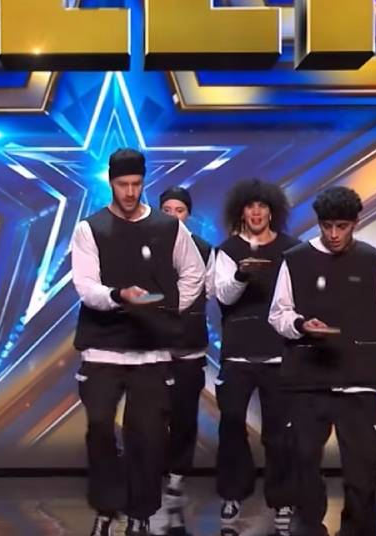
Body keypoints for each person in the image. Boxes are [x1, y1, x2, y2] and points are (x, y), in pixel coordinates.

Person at [71, 149, 205, 536]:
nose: (129, 192)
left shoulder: (168, 227)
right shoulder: (90, 229)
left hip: (151, 351)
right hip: (103, 348)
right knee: (100, 428)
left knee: (146, 436)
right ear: (110, 183)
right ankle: (106, 508)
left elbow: (194, 272)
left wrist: (170, 308)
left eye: (136, 184)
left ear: (144, 182)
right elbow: (86, 286)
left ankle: (140, 513)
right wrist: (118, 296)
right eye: (122, 184)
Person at [268, 186, 376, 536]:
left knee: (361, 470)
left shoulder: (374, 261)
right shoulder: (296, 260)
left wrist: (358, 347)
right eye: (327, 226)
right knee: (303, 461)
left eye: (341, 226)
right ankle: (309, 526)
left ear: (355, 223)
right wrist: (301, 325)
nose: (334, 234)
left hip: (359, 383)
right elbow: (279, 313)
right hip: (308, 381)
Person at [214, 179, 299, 536]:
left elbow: (296, 298)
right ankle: (233, 493)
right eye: (250, 206)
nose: (256, 212)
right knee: (232, 424)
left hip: (278, 355)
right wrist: (241, 274)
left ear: (272, 211)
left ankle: (282, 499)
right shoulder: (227, 250)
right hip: (237, 356)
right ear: (241, 211)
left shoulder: (291, 250)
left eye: (262, 206)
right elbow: (222, 295)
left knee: (279, 433)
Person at [155, 186, 214, 536]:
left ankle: (177, 476)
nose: (173, 215)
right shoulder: (146, 245)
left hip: (189, 346)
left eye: (179, 209)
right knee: (150, 416)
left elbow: (209, 291)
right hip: (152, 348)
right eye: (167, 209)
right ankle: (150, 474)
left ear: (188, 214)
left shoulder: (204, 249)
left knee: (184, 417)